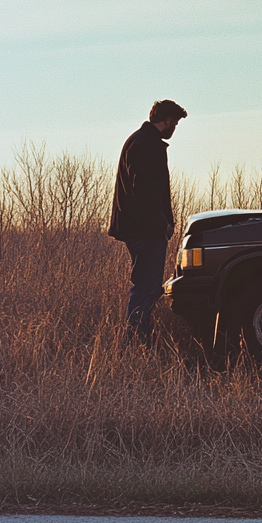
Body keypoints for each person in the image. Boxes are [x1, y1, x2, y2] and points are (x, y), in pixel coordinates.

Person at [109, 99, 187, 344]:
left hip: (142, 228)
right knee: (147, 287)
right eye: (174, 123)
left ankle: (140, 339)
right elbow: (144, 190)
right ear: (165, 121)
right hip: (145, 230)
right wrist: (161, 224)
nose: (174, 128)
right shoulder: (145, 145)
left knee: (146, 285)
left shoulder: (141, 142)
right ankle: (134, 341)